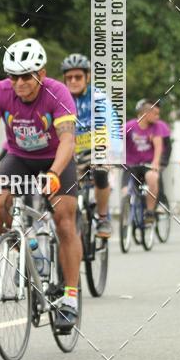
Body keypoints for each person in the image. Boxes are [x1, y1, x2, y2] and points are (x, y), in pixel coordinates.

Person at [0, 38, 80, 331]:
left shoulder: (57, 92)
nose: (19, 83)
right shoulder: (0, 92)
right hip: (19, 158)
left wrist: (54, 172)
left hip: (56, 159)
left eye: (26, 76)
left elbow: (67, 139)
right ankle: (28, 251)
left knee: (65, 220)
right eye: (13, 76)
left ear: (41, 74)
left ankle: (70, 298)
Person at [61, 53, 121, 238]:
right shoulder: (59, 97)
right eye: (69, 77)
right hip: (70, 151)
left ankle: (103, 218)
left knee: (101, 170)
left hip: (96, 149)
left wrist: (114, 151)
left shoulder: (98, 97)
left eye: (78, 77)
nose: (73, 81)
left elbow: (111, 126)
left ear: (87, 77)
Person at [123, 99, 163, 227]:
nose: (158, 117)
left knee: (153, 177)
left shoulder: (156, 128)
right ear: (146, 113)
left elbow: (158, 146)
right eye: (155, 114)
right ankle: (126, 218)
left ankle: (149, 212)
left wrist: (156, 162)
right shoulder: (129, 126)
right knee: (125, 192)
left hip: (147, 165)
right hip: (130, 165)